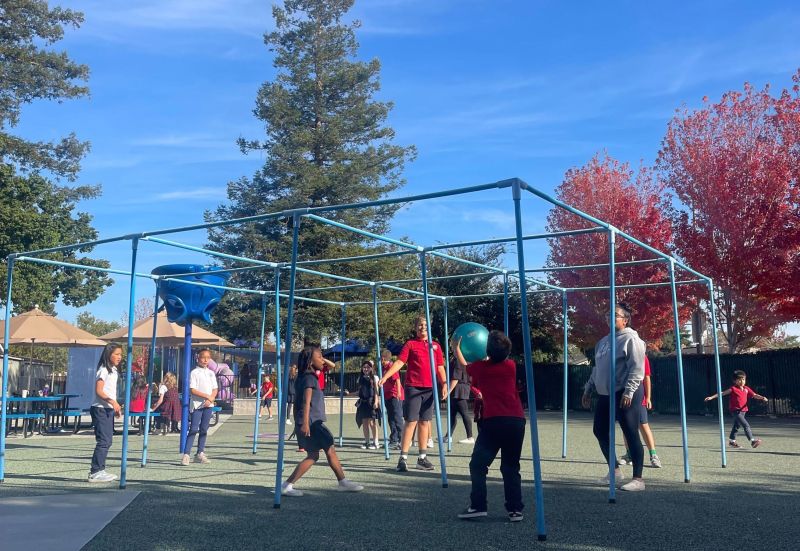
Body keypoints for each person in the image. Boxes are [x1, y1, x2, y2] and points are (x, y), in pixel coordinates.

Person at [457, 331, 525, 522]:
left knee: (478, 464)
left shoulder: (480, 368)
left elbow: (464, 366)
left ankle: (478, 505)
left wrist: (456, 348)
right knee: (511, 466)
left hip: (495, 421)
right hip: (516, 421)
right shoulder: (511, 366)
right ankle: (515, 510)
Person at [279, 346, 364, 496]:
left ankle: (341, 481)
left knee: (319, 453)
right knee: (319, 453)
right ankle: (287, 485)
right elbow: (305, 402)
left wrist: (297, 422)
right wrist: (304, 423)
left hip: (309, 421)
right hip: (312, 422)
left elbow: (297, 403)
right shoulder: (309, 378)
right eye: (319, 357)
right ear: (310, 361)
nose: (322, 360)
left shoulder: (302, 377)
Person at [581, 302, 647, 492]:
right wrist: (588, 389)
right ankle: (615, 470)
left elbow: (637, 368)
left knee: (630, 431)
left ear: (625, 320)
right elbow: (597, 369)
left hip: (625, 392)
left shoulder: (631, 339)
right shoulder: (603, 342)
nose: (610, 317)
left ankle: (638, 479)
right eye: (608, 314)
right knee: (600, 431)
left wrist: (629, 390)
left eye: (615, 315)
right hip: (605, 393)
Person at [378, 314, 447, 473]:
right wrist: (385, 377)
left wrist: (444, 384)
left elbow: (440, 367)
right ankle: (403, 458)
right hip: (413, 387)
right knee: (411, 421)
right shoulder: (410, 344)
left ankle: (422, 458)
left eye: (425, 325)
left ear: (429, 326)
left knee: (425, 422)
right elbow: (400, 362)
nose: (422, 328)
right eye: (420, 325)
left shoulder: (435, 346)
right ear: (415, 329)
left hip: (430, 389)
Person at [705, 370, 768, 449]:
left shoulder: (746, 389)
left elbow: (755, 395)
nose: (742, 381)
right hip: (736, 411)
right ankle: (752, 441)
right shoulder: (733, 389)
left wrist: (762, 397)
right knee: (746, 425)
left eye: (743, 379)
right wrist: (711, 397)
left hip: (743, 411)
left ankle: (732, 442)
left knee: (736, 426)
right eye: (739, 379)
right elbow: (722, 393)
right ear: (735, 381)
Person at [88, 343, 123, 483]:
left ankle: (100, 469)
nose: (119, 357)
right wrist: (112, 402)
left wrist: (114, 407)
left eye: (121, 354)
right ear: (109, 354)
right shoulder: (103, 370)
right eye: (117, 354)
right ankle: (95, 471)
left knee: (107, 440)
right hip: (100, 408)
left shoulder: (113, 370)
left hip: (106, 408)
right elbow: (99, 391)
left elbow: (109, 391)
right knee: (104, 441)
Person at [619, 356, 662, 468]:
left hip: (638, 397)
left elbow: (646, 377)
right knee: (626, 425)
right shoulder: (622, 356)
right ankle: (629, 455)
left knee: (643, 425)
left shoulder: (642, 357)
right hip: (624, 396)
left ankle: (653, 456)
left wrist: (648, 398)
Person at [180, 348, 218, 466]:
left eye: (208, 357)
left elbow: (215, 389)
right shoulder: (194, 372)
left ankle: (200, 452)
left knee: (204, 429)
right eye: (203, 357)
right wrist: (206, 396)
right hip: (197, 405)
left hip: (208, 404)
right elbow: (192, 390)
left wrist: (211, 398)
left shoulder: (211, 373)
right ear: (198, 358)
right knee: (194, 429)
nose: (205, 360)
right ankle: (186, 454)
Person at [445, 337, 475, 445]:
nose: (452, 347)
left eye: (454, 345)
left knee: (464, 413)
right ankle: (448, 436)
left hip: (460, 390)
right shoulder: (455, 359)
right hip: (457, 390)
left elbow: (456, 378)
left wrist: (448, 391)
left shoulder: (459, 360)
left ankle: (470, 436)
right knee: (452, 414)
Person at [381, 349, 404, 449]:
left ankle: (402, 439)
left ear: (383, 358)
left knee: (397, 417)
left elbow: (397, 380)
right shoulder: (383, 367)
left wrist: (398, 392)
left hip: (395, 395)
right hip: (388, 395)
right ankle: (394, 439)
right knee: (391, 418)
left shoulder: (391, 366)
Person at [355, 360, 380, 449]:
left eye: (368, 367)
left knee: (372, 422)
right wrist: (349, 393)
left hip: (371, 401)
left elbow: (377, 391)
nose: (366, 369)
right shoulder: (360, 378)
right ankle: (367, 441)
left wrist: (376, 402)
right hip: (363, 402)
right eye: (364, 367)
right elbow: (360, 391)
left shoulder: (375, 378)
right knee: (364, 422)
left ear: (371, 368)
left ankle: (375, 442)